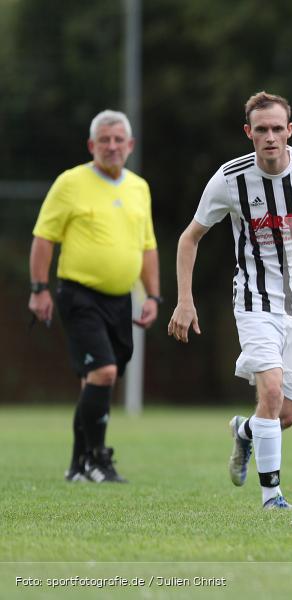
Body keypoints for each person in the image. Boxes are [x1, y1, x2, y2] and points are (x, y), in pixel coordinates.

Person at [167, 92, 292, 510]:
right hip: (254, 302)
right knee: (269, 392)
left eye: (277, 129)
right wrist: (184, 300)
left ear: (290, 131)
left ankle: (244, 431)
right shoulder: (229, 179)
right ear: (248, 132)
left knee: (284, 416)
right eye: (261, 130)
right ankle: (273, 497)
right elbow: (189, 237)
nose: (270, 137)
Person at [29, 110, 161, 483]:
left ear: (130, 146)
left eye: (119, 140)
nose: (112, 146)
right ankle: (97, 460)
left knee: (96, 380)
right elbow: (43, 239)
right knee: (102, 372)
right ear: (92, 145)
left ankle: (77, 466)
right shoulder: (70, 183)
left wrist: (152, 295)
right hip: (79, 295)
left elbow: (147, 246)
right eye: (105, 139)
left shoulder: (139, 187)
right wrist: (38, 290)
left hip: (120, 300)